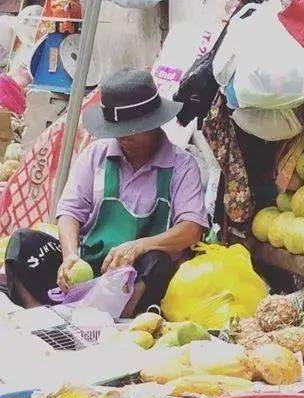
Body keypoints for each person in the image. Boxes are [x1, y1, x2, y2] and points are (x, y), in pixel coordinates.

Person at [5, 68, 208, 316]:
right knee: (23, 243)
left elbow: (191, 229)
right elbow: (70, 211)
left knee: (159, 261)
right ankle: (42, 319)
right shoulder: (96, 155)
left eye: (132, 130)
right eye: (117, 130)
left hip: (135, 277)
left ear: (154, 124)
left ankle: (114, 323)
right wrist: (70, 256)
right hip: (89, 266)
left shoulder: (181, 165)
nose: (123, 137)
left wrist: (139, 246)